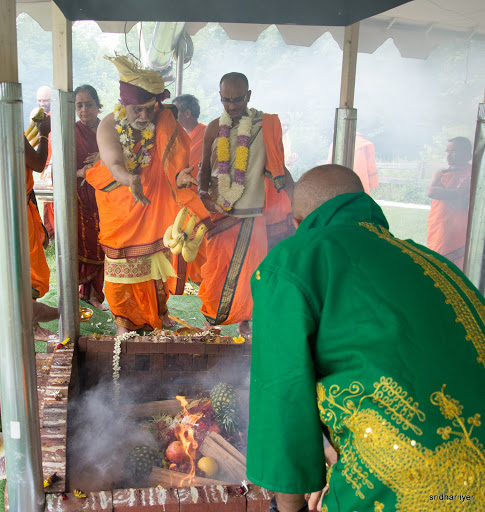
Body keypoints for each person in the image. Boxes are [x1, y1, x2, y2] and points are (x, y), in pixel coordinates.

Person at [247, 164, 485, 512]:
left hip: (414, 489)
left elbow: (281, 392)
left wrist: (288, 505)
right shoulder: (435, 263)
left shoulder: (294, 260)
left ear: (299, 223)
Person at [86, 56, 203, 335]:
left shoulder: (163, 120)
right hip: (119, 204)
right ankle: (123, 321)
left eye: (148, 109)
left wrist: (179, 177)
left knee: (155, 261)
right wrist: (130, 179)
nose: (143, 116)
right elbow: (114, 163)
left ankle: (159, 312)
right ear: (123, 104)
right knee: (120, 266)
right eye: (136, 110)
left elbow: (172, 162)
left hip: (152, 203)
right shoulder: (109, 125)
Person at [197, 72, 294, 336]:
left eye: (238, 99)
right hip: (220, 211)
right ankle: (211, 320)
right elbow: (204, 167)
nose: (232, 106)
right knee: (217, 267)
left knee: (251, 269)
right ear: (219, 97)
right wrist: (202, 192)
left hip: (252, 212)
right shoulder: (214, 127)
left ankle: (245, 320)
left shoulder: (265, 126)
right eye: (226, 100)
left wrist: (298, 200)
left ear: (248, 96)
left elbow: (279, 169)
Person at [24, 114, 58, 340]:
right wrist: (44, 134)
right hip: (14, 212)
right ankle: (32, 325)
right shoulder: (8, 130)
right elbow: (37, 164)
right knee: (27, 269)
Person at [74, 85, 108, 311]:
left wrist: (102, 157)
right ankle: (81, 292)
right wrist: (81, 172)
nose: (84, 109)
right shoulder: (71, 131)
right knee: (83, 246)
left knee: (103, 245)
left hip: (106, 197)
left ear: (98, 105)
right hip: (80, 198)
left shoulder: (108, 130)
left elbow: (122, 159)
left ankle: (95, 294)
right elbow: (59, 169)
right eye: (79, 105)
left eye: (89, 104)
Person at [171, 93, 207, 290]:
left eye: (175, 111)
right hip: (180, 199)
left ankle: (203, 278)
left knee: (200, 243)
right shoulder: (177, 137)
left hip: (200, 201)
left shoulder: (206, 134)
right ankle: (184, 280)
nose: (172, 116)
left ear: (187, 113)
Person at [427, 136, 472, 270]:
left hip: (460, 227)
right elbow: (432, 192)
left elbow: (464, 201)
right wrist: (457, 193)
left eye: (454, 151)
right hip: (440, 225)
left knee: (457, 265)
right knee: (437, 259)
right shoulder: (442, 172)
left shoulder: (473, 174)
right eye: (447, 151)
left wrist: (446, 193)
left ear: (466, 153)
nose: (449, 155)